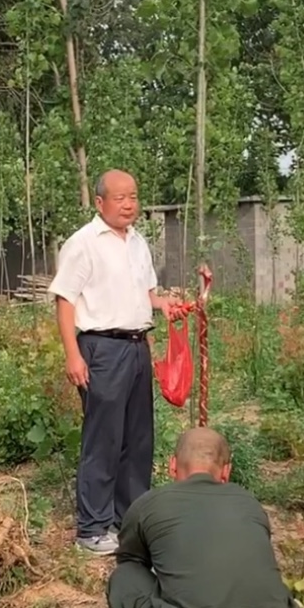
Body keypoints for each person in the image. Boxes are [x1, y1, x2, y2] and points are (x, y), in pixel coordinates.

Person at [106, 427, 303, 608]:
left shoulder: (150, 503)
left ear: (172, 465)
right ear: (226, 471)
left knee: (125, 578)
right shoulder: (250, 504)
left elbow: (132, 560)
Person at [49, 170, 183, 554]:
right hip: (101, 349)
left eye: (134, 197)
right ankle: (91, 529)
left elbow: (146, 293)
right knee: (104, 440)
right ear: (100, 202)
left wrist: (163, 304)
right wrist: (73, 354)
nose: (129, 205)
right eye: (120, 198)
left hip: (137, 346)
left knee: (139, 440)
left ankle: (131, 519)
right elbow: (65, 301)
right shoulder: (83, 244)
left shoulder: (138, 243)